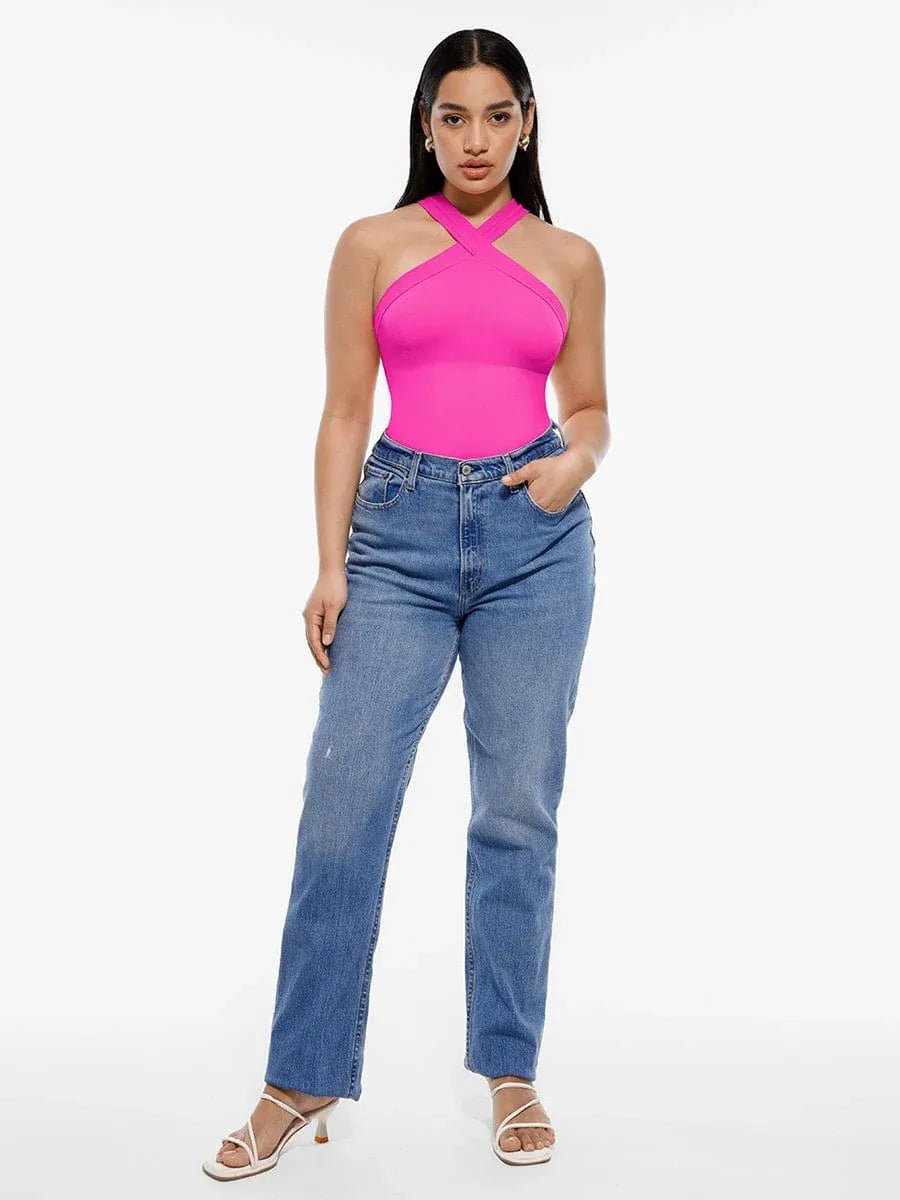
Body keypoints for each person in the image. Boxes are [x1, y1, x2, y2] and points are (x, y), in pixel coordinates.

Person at [202, 26, 609, 1181]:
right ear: (425, 126)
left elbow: (589, 403)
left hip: (538, 543)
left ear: (526, 121)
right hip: (398, 536)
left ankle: (510, 1068)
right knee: (344, 805)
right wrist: (331, 565)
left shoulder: (570, 257)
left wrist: (580, 457)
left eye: (496, 115)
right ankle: (302, 1076)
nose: (475, 139)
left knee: (517, 811)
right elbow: (344, 410)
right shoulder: (373, 244)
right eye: (452, 117)